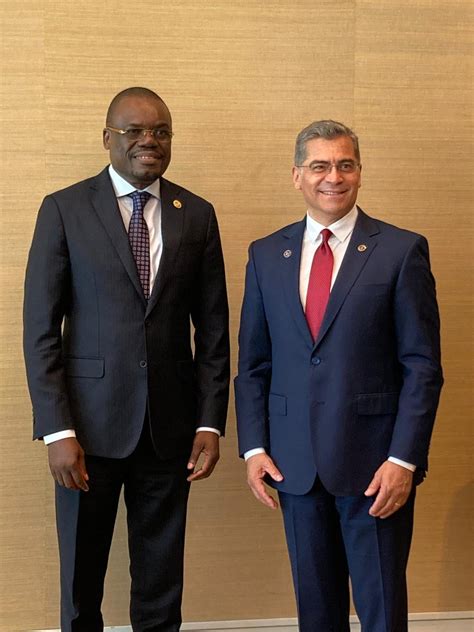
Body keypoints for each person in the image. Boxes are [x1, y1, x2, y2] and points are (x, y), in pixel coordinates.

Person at [23, 87, 230, 632]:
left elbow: (213, 332)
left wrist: (210, 422)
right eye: (134, 131)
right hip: (86, 433)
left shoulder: (197, 215)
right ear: (107, 138)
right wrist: (57, 430)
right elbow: (40, 331)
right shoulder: (64, 209)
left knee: (161, 586)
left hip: (169, 431)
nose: (148, 141)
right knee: (80, 584)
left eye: (160, 131)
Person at [234, 120, 443, 632]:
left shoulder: (400, 250)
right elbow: (254, 364)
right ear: (297, 175)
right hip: (294, 466)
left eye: (345, 165)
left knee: (381, 611)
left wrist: (403, 459)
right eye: (320, 166)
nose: (334, 177)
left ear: (359, 172)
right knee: (316, 613)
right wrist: (254, 448)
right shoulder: (266, 254)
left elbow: (422, 366)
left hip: (376, 468)